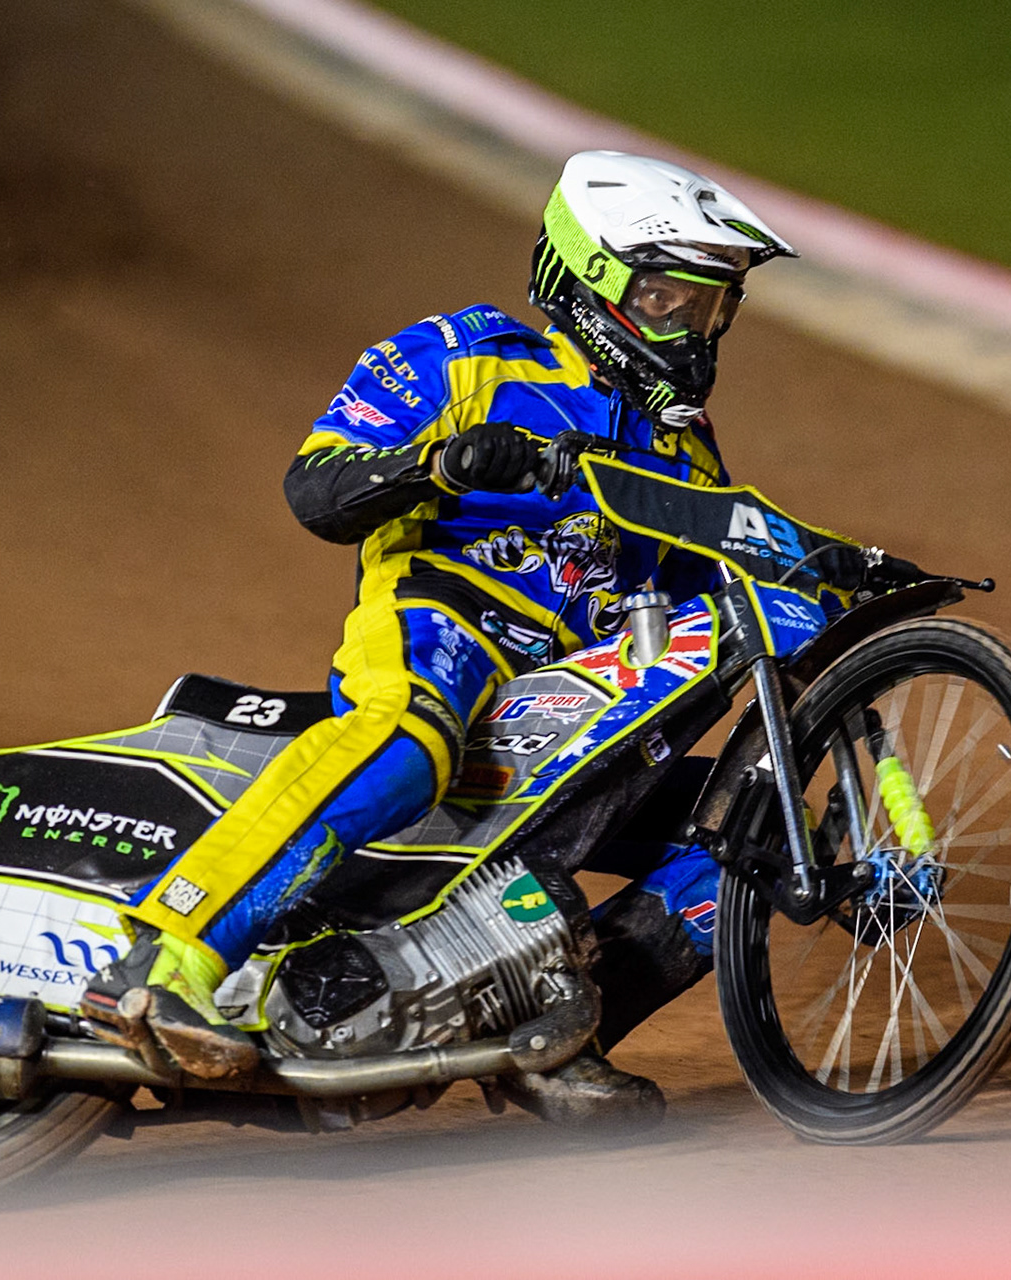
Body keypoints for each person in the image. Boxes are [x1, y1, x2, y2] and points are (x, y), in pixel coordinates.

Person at [83, 151, 817, 1122]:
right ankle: (168, 955)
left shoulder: (685, 451)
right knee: (412, 737)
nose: (693, 330)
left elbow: (702, 595)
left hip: (566, 701)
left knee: (757, 825)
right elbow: (317, 489)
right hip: (442, 621)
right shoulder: (469, 353)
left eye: (710, 307)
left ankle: (556, 1032)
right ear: (593, 281)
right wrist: (444, 463)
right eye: (667, 301)